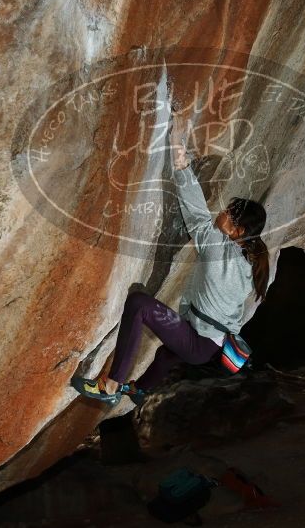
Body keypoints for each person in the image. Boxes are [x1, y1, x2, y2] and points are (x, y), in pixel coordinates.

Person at [71, 122, 269, 406]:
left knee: (139, 303)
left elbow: (196, 211)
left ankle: (111, 386)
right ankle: (140, 391)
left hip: (199, 343)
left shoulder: (218, 247)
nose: (221, 213)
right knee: (167, 352)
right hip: (211, 344)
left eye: (227, 212)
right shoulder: (250, 264)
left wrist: (180, 158)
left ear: (237, 231)